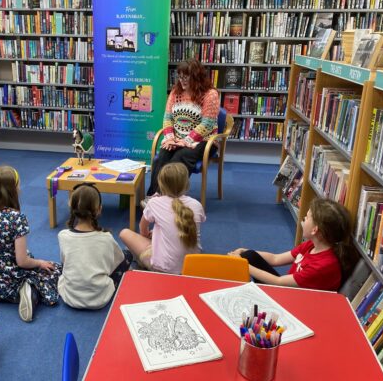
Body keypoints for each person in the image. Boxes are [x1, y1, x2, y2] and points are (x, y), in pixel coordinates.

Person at [0, 166, 62, 322]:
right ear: (12, 190)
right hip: (10, 276)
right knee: (54, 270)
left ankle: (15, 294)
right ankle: (29, 290)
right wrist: (39, 263)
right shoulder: (16, 218)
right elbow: (22, 261)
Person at [228, 198, 356, 291]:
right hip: (289, 289)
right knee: (249, 255)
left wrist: (243, 265)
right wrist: (244, 251)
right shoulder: (311, 245)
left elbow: (278, 282)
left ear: (315, 230)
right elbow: (275, 258)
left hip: (294, 299)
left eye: (307, 217)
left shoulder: (323, 266)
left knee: (246, 261)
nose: (304, 219)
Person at [143, 58, 220, 206]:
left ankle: (161, 198)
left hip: (204, 140)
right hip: (177, 138)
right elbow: (167, 118)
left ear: (196, 76)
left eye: (186, 77)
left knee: (179, 158)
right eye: (180, 77)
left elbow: (207, 124)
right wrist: (170, 138)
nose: (182, 81)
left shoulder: (210, 94)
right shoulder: (175, 92)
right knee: (161, 157)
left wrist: (185, 141)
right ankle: (152, 196)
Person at [120, 162, 205, 274]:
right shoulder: (197, 205)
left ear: (161, 184)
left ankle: (142, 263)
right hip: (192, 265)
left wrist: (150, 235)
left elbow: (143, 230)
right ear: (186, 183)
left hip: (163, 268)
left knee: (124, 233)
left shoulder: (154, 203)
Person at [58, 183, 132, 309]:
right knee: (127, 255)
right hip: (100, 298)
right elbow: (116, 262)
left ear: (72, 208)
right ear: (99, 209)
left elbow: (64, 263)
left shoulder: (63, 235)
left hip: (70, 297)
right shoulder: (106, 238)